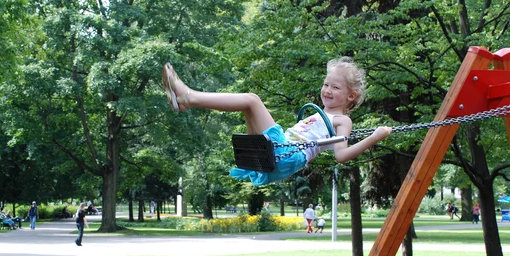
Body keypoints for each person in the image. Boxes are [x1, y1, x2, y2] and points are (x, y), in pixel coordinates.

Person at [162, 58, 392, 186]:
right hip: (280, 152)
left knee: (252, 100)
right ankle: (185, 100)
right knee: (247, 107)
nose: (327, 90)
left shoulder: (342, 120)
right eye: (326, 84)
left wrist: (374, 138)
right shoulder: (320, 114)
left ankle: (188, 98)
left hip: (287, 154)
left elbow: (341, 156)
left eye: (335, 87)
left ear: (351, 96)